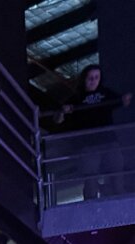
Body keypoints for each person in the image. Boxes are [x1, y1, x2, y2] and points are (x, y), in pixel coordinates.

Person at [53, 65, 132, 198]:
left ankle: (119, 202)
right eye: (90, 78)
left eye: (96, 77)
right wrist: (62, 111)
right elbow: (57, 119)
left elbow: (121, 101)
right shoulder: (76, 98)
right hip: (88, 145)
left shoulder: (105, 93)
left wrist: (125, 99)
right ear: (84, 79)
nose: (93, 81)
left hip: (109, 141)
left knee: (117, 175)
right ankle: (92, 204)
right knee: (90, 181)